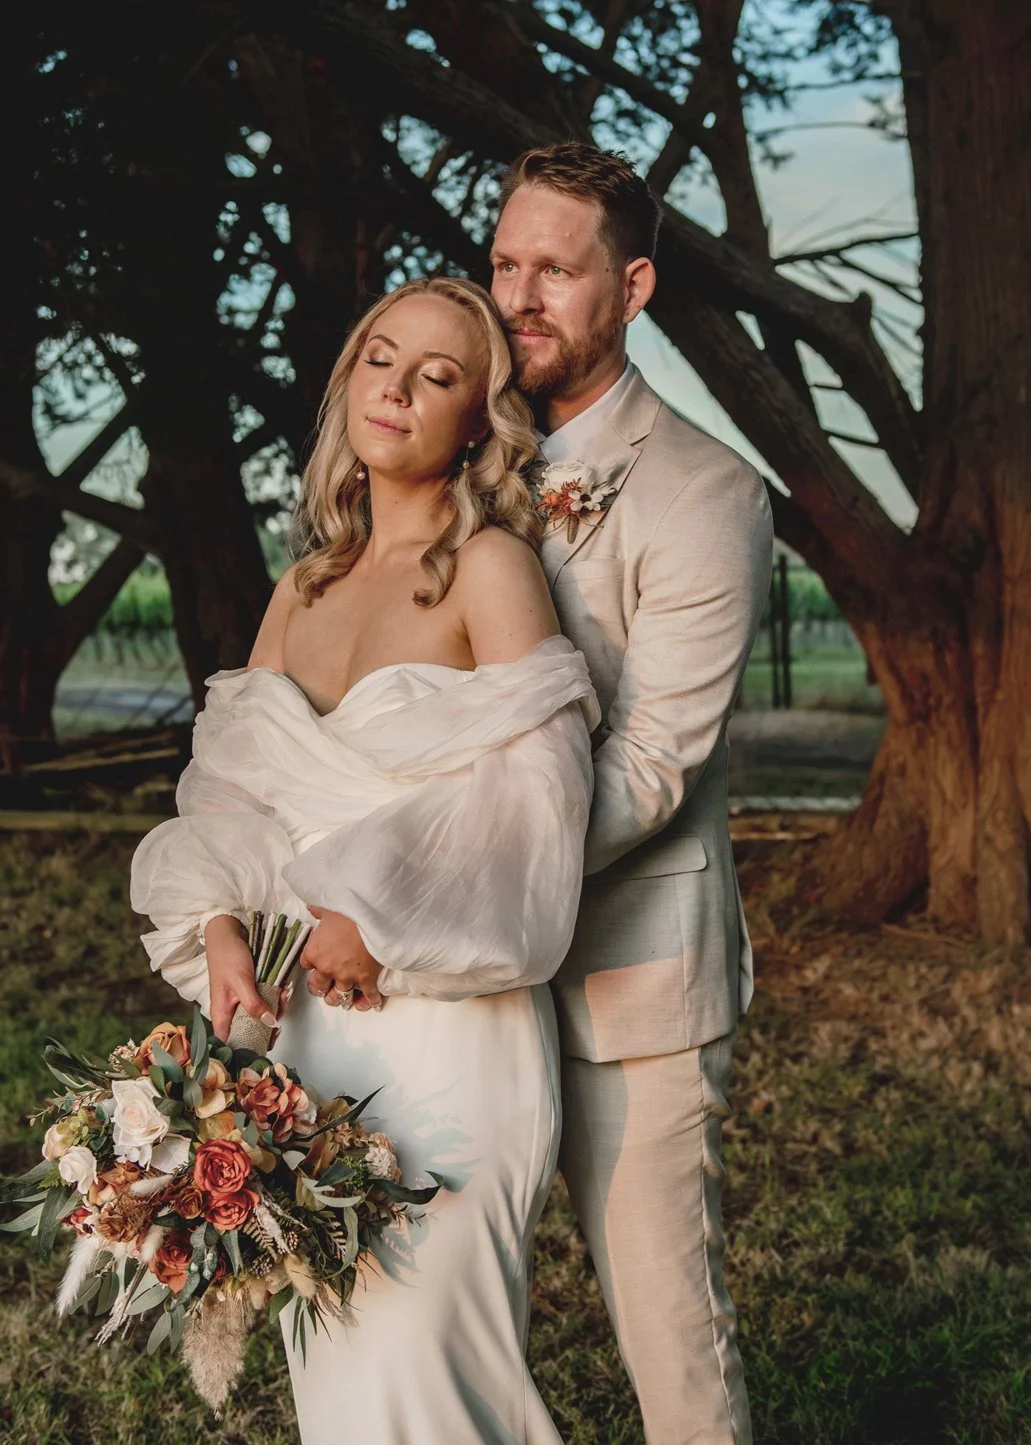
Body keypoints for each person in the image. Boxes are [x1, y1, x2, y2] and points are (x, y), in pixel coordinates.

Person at [130, 276, 600, 1444]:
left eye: (435, 374)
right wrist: (225, 926)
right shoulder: (304, 586)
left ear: (475, 422)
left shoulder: (489, 567)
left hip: (445, 1012)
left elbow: (537, 802)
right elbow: (234, 795)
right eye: (378, 358)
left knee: (430, 1363)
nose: (394, 386)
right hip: (306, 1031)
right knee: (337, 1373)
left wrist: (373, 911)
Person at [491, 143, 774, 1444]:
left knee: (667, 1334)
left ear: (634, 287)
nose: (520, 296)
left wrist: (468, 887)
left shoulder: (705, 492)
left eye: (556, 268)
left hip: (631, 989)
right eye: (504, 263)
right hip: (467, 1001)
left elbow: (653, 766)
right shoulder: (467, 467)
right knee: (446, 1316)